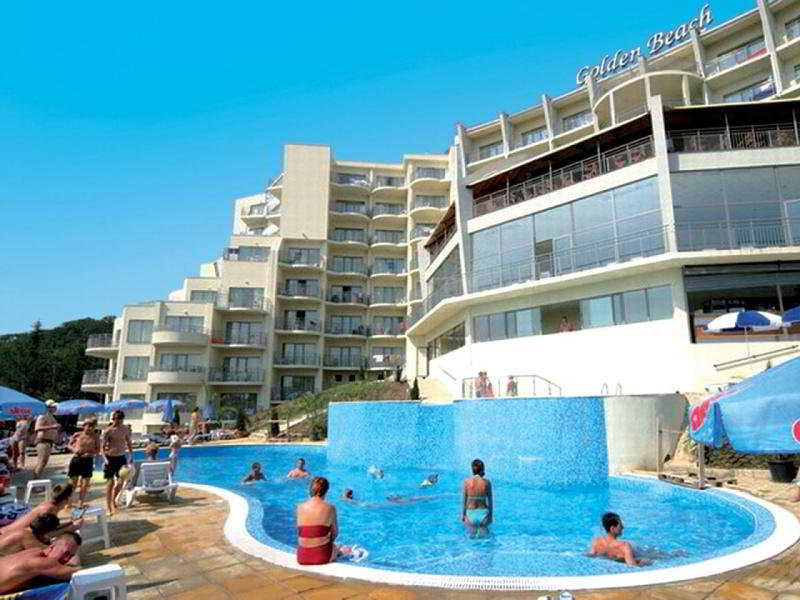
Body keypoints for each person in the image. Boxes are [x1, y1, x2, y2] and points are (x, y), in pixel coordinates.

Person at [295, 476, 366, 565]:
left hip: (302, 556)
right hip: (322, 556)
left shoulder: (299, 507)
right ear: (326, 491)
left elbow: (301, 532)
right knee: (342, 548)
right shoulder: (330, 508)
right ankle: (354, 552)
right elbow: (335, 534)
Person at [0, 532, 82, 594]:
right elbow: (79, 573)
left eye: (71, 556)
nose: (66, 559)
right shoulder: (43, 563)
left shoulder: (34, 551)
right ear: (52, 546)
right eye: (66, 553)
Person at [2, 484, 83, 536]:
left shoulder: (49, 505)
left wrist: (70, 522)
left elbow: (50, 528)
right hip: (6, 535)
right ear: (67, 499)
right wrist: (73, 527)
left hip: (7, 531)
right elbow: (46, 534)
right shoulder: (50, 510)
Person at [101, 410, 133, 516]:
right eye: (116, 419)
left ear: (122, 420)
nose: (118, 421)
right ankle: (108, 507)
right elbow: (102, 447)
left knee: (120, 482)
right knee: (110, 483)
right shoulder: (108, 431)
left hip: (121, 458)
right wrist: (105, 459)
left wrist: (131, 455)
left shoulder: (125, 429)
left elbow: (128, 442)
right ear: (113, 419)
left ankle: (113, 499)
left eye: (120, 420)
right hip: (110, 458)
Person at [67, 419, 100, 507]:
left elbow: (98, 449)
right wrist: (74, 449)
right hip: (77, 459)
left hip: (88, 460)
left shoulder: (95, 436)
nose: (90, 428)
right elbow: (69, 445)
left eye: (92, 426)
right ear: (84, 426)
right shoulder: (77, 434)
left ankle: (80, 502)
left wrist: (90, 454)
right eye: (88, 426)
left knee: (85, 484)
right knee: (73, 483)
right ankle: (69, 502)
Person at [461, 458, 492, 538]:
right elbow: (490, 501)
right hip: (483, 514)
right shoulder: (487, 482)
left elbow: (464, 500)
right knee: (486, 539)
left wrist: (463, 515)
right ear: (482, 469)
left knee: (471, 539)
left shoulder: (466, 482)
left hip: (470, 514)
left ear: (473, 469)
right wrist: (490, 516)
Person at [33, 400, 60, 477]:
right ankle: (36, 479)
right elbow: (37, 428)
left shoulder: (50, 416)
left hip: (48, 441)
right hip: (43, 441)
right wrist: (52, 426)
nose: (56, 408)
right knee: (42, 461)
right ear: (49, 407)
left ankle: (37, 477)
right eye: (54, 407)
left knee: (44, 462)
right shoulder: (43, 415)